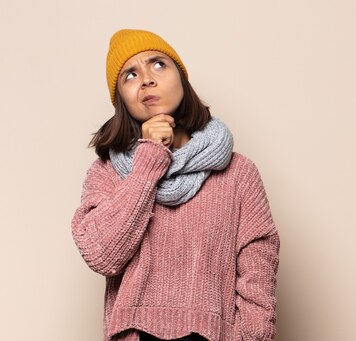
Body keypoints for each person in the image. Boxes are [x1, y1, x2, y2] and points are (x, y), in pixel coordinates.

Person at [71, 29, 280, 341]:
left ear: (182, 78)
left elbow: (258, 267)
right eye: (130, 75)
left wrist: (251, 337)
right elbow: (103, 256)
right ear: (122, 100)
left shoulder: (238, 173)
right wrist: (149, 159)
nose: (145, 80)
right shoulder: (108, 173)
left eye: (158, 64)